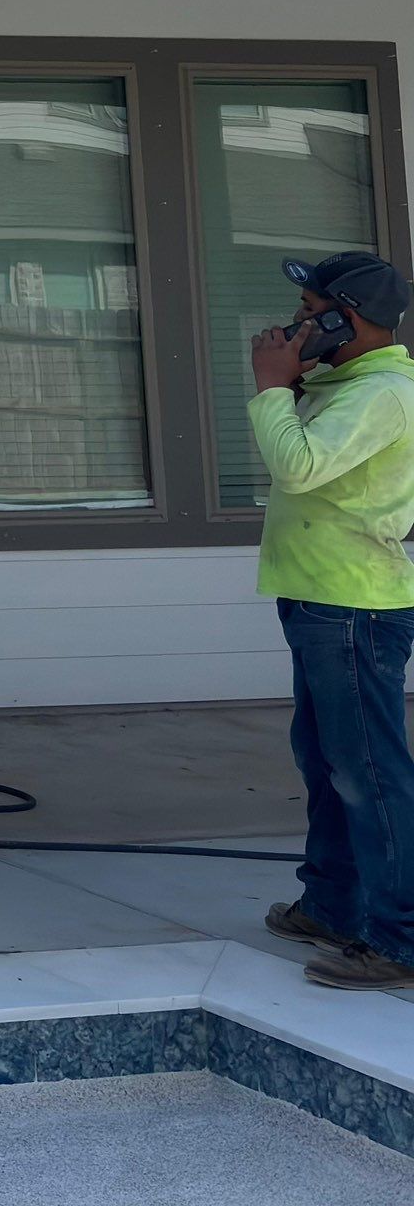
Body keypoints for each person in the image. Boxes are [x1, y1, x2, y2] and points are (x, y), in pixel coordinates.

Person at [250, 250, 414, 991]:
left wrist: (272, 390)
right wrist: (298, 380)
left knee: (369, 775)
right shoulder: (344, 382)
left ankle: (400, 939)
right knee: (324, 763)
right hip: (318, 597)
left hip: (353, 607)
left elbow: (300, 467)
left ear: (348, 320)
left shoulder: (381, 393)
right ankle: (334, 905)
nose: (296, 324)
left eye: (311, 312)